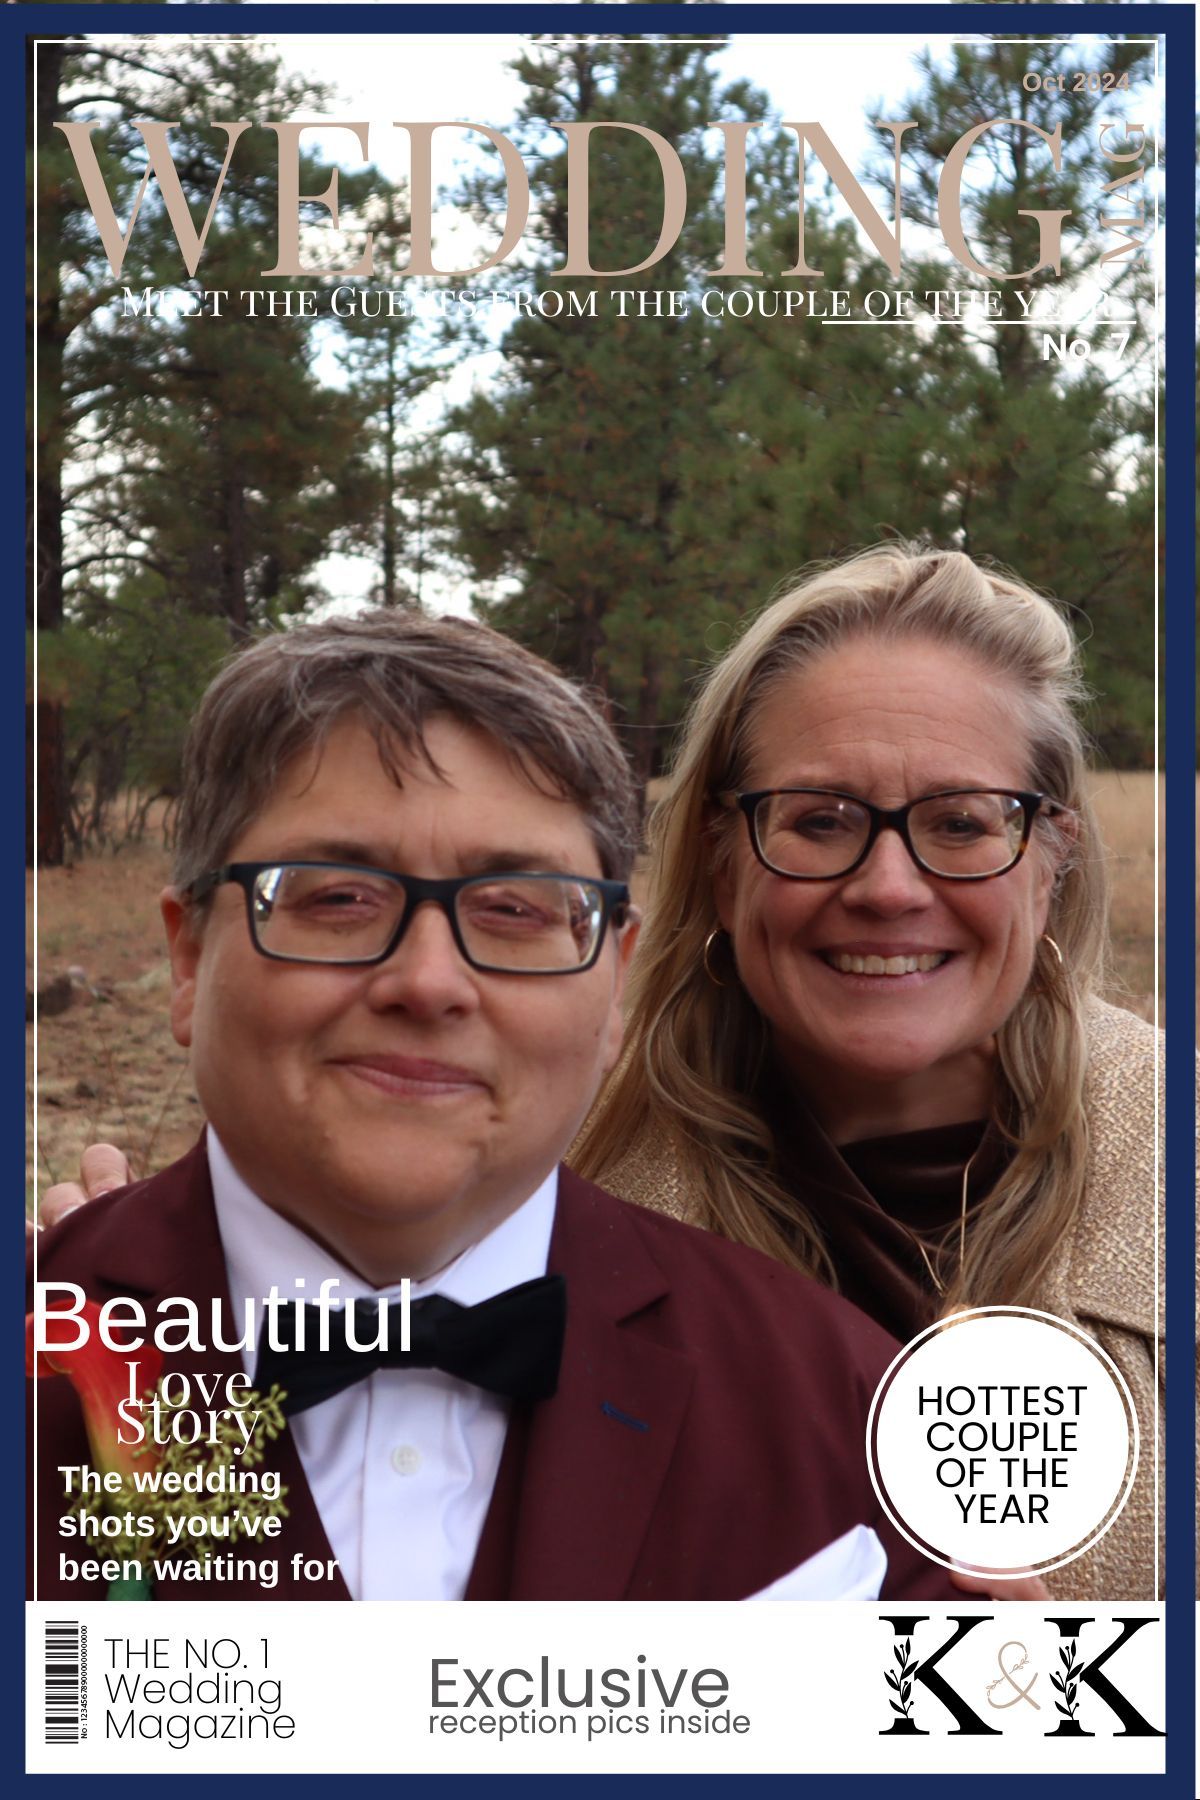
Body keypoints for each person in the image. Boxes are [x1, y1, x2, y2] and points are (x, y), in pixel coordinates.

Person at [29, 610, 955, 1604]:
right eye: (337, 897)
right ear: (189, 959)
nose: (428, 983)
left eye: (514, 908)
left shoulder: (841, 1414)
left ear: (615, 986)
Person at [571, 543, 1163, 1602]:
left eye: (961, 824)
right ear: (720, 853)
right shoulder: (561, 1230)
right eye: (821, 821)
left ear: (1051, 856)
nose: (889, 888)